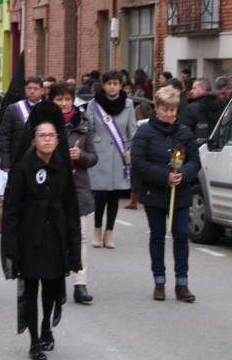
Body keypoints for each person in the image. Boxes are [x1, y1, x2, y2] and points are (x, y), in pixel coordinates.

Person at [0, 101, 82, 360]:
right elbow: (11, 210)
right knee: (32, 287)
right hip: (30, 234)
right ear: (33, 140)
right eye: (41, 135)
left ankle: (47, 325)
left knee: (51, 286)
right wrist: (11, 247)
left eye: (51, 135)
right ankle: (35, 340)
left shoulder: (62, 169)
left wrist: (73, 245)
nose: (47, 139)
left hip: (55, 234)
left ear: (58, 139)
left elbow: (71, 208)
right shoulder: (23, 168)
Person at [131, 85, 201, 302]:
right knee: (158, 236)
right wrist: (164, 176)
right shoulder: (145, 132)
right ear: (157, 108)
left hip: (179, 194)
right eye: (166, 109)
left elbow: (195, 160)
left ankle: (182, 283)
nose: (170, 114)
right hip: (155, 193)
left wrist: (184, 174)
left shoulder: (184, 132)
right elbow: (139, 162)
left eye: (173, 110)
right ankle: (159, 281)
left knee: (181, 235)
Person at [49, 82, 98, 304]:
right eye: (58, 99)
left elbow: (93, 158)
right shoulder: (43, 124)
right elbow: (31, 154)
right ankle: (57, 283)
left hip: (78, 188)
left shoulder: (84, 123)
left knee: (80, 238)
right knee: (56, 238)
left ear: (73, 101)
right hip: (52, 188)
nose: (63, 103)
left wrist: (80, 156)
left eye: (67, 99)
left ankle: (80, 283)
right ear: (52, 101)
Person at [85, 70, 137, 249]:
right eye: (109, 83)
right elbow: (88, 130)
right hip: (100, 155)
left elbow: (132, 131)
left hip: (120, 154)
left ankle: (109, 232)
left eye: (116, 83)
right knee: (101, 194)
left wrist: (130, 151)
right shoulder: (94, 104)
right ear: (104, 85)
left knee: (115, 194)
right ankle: (97, 229)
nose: (112, 87)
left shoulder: (128, 104)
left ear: (121, 85)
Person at [0, 76, 44, 173]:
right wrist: (6, 162)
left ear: (42, 91)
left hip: (42, 160)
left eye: (36, 89)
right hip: (18, 160)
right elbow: (4, 137)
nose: (32, 91)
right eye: (29, 88)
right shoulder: (13, 109)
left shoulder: (48, 109)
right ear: (25, 89)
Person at [124, 101, 152, 210]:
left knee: (135, 177)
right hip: (150, 154)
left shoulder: (138, 125)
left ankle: (133, 201)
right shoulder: (153, 123)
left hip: (139, 153)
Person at [179, 77, 223, 145]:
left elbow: (184, 133)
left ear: (202, 90)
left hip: (197, 148)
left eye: (194, 88)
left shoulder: (192, 108)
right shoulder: (221, 104)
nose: (191, 91)